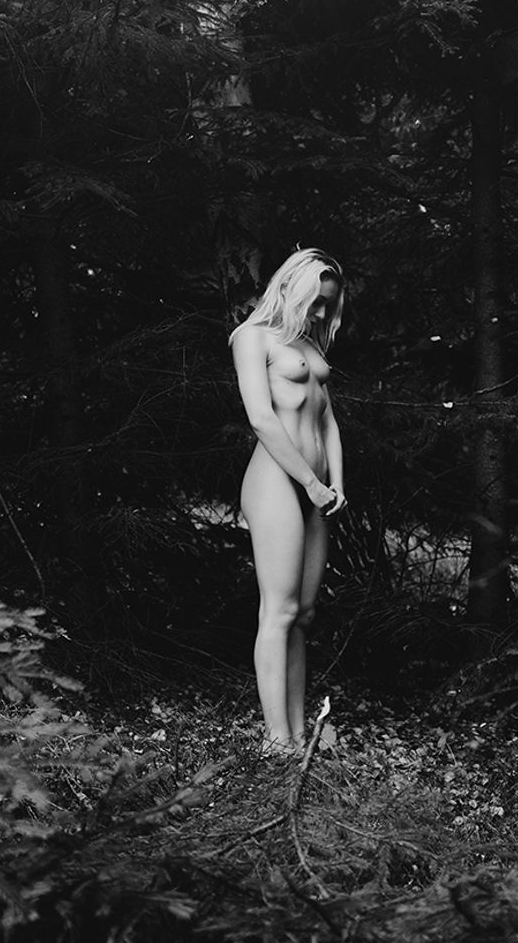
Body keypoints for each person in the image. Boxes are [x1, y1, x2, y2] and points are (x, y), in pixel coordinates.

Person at [230, 248, 347, 757]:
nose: (321, 313)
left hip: (315, 489)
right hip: (276, 481)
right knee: (278, 612)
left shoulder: (308, 344)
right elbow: (261, 417)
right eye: (315, 302)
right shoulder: (252, 337)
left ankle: (297, 736)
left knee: (303, 614)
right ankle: (275, 741)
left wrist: (335, 483)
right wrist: (310, 483)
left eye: (328, 305)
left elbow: (326, 419)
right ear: (292, 289)